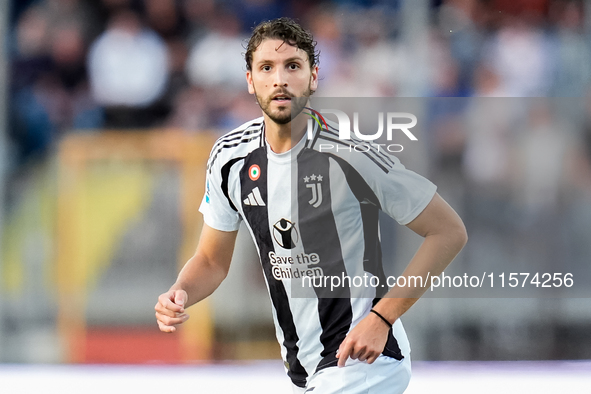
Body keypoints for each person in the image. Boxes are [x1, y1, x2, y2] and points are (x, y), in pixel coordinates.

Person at [155, 17, 467, 393]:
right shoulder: (229, 157)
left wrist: (382, 318)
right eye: (266, 68)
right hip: (306, 370)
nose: (280, 79)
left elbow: (448, 231)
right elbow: (210, 260)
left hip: (365, 363)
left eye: (293, 66)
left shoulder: (351, 153)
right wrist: (182, 291)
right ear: (250, 81)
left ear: (314, 76)